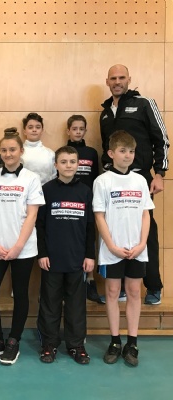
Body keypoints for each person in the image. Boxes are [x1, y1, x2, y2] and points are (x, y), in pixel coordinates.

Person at [100, 64, 169, 305]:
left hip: (140, 179)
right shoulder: (105, 113)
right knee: (114, 229)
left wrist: (159, 173)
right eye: (113, 78)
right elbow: (106, 148)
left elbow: (162, 139)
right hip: (113, 180)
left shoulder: (144, 103)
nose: (117, 82)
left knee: (145, 231)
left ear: (129, 79)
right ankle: (118, 287)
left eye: (122, 77)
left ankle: (153, 286)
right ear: (107, 82)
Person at [0, 128, 44, 365]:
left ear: (21, 151)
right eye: (4, 150)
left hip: (23, 249)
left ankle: (14, 341)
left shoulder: (31, 179)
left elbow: (32, 215)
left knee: (21, 295)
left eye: (12, 149)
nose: (8, 154)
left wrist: (18, 246)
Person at [93, 131, 154, 367]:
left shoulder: (140, 181)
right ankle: (115, 341)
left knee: (134, 292)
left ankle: (132, 342)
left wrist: (141, 244)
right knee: (112, 292)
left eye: (131, 151)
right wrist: (111, 245)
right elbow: (99, 216)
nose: (127, 155)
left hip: (137, 249)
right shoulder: (102, 181)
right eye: (122, 151)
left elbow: (146, 214)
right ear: (111, 153)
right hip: (112, 249)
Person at [37, 146, 95, 365]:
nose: (68, 165)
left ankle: (76, 345)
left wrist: (90, 255)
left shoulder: (85, 191)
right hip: (51, 259)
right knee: (50, 304)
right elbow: (39, 225)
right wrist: (42, 253)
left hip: (77, 259)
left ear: (78, 164)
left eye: (72, 161)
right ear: (56, 165)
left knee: (76, 305)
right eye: (63, 162)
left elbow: (90, 226)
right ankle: (49, 344)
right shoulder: (47, 190)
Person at [65, 114, 101, 303]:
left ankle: (90, 280)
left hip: (88, 201)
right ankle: (70, 280)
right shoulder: (63, 152)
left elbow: (95, 178)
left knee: (89, 237)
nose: (78, 132)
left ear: (85, 131)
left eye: (81, 129)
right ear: (68, 131)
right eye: (74, 129)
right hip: (69, 202)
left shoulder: (91, 153)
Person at [21, 113, 56, 186]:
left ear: (42, 130)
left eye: (38, 127)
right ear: (24, 131)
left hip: (46, 191)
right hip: (24, 190)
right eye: (30, 127)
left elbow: (54, 177)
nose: (34, 130)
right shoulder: (19, 153)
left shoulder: (50, 154)